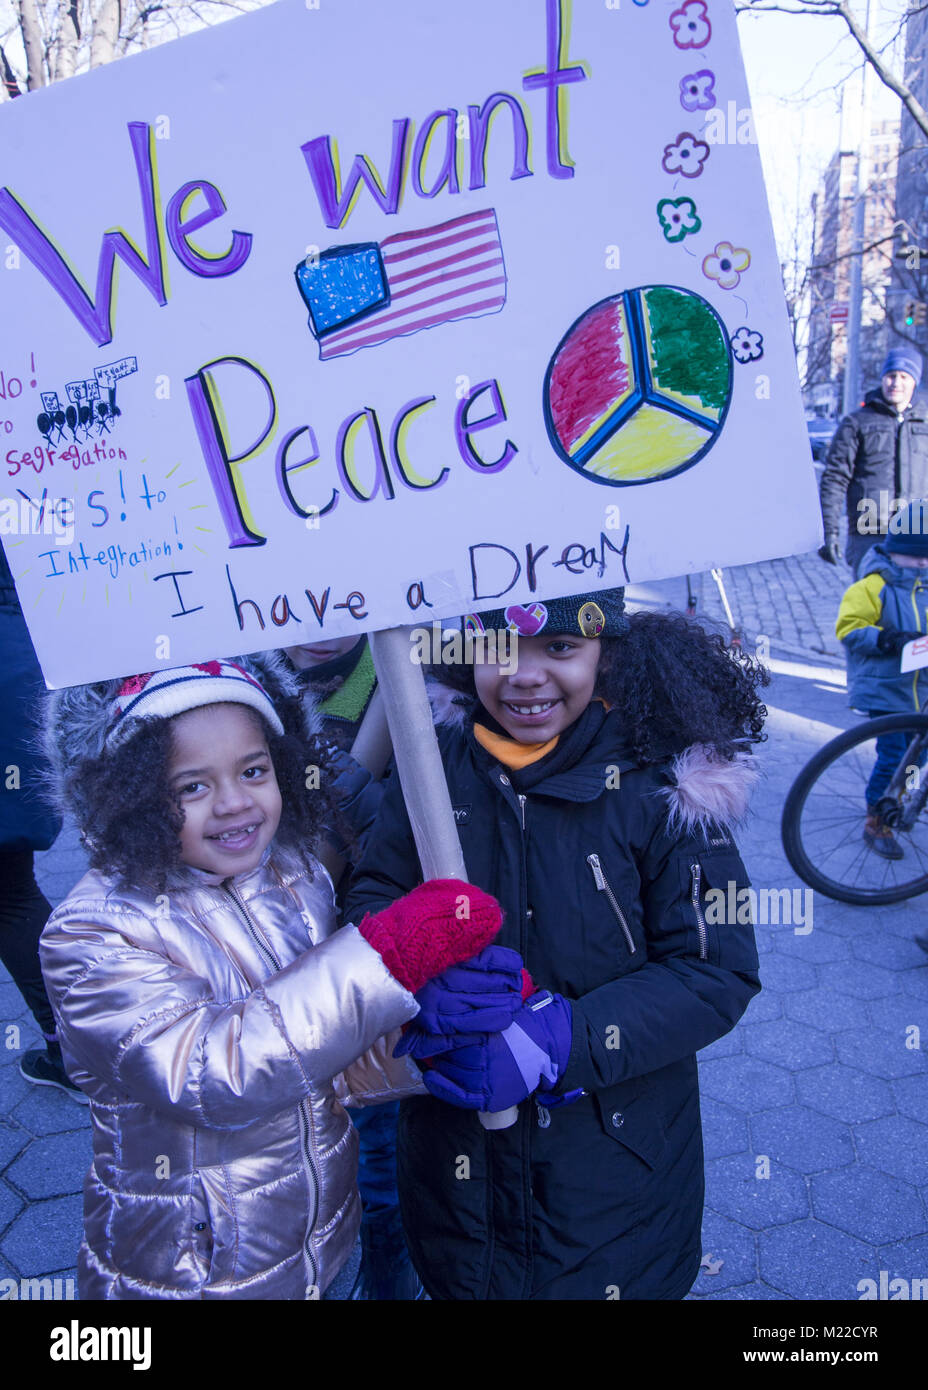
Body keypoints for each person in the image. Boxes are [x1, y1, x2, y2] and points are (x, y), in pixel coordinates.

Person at [37, 659, 509, 1299]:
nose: (235, 802)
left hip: (314, 1246)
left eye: (253, 771)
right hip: (190, 1272)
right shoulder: (93, 932)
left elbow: (316, 1056)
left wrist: (425, 1050)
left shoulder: (295, 877)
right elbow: (216, 1074)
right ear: (129, 796)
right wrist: (384, 955)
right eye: (190, 787)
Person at [344, 591, 766, 1300]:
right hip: (457, 1176)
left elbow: (715, 971)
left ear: (607, 653)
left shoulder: (666, 787)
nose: (524, 674)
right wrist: (414, 972)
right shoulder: (430, 763)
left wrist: (560, 1039)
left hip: (612, 1191)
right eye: (497, 647)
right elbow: (374, 890)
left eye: (561, 648)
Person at [274, 633, 417, 1299]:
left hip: (368, 982)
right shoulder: (236, 684)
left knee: (382, 1169)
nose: (314, 621)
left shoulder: (413, 677)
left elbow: (426, 839)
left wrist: (341, 777)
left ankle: (391, 1283)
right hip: (265, 980)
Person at [0, 539, 82, 1100]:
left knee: (8, 893)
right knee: (11, 889)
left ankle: (74, 1053)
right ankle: (77, 1050)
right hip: (20, 657)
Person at [835, 501, 928, 894]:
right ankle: (878, 817)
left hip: (922, 692)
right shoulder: (873, 585)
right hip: (887, 689)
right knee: (894, 754)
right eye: (914, 557)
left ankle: (900, 801)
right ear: (892, 549)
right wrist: (886, 638)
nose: (920, 565)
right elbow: (849, 628)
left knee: (917, 758)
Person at [819, 348, 928, 578]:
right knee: (869, 605)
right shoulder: (857, 423)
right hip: (870, 533)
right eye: (891, 375)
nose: (895, 383)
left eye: (904, 376)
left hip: (919, 534)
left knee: (916, 609)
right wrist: (828, 532)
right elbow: (835, 479)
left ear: (914, 381)